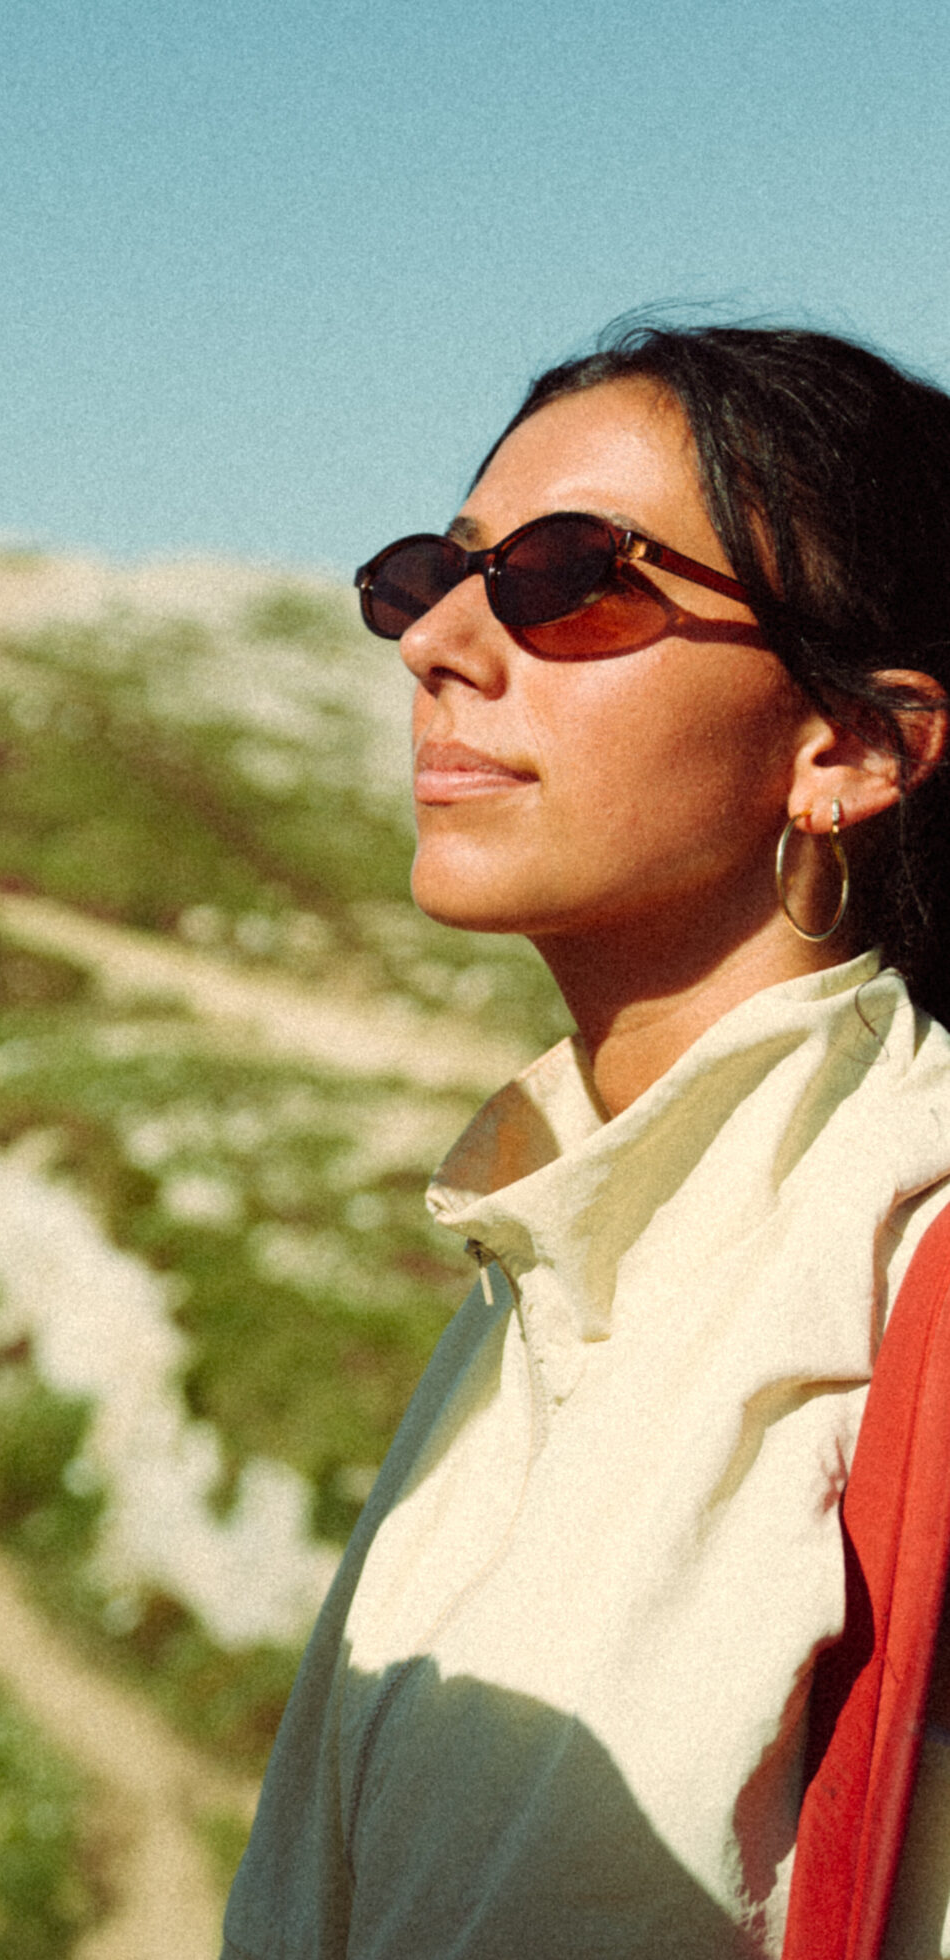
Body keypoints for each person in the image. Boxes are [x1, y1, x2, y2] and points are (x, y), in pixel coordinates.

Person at [220, 321, 950, 1960]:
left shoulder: (910, 1264)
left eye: (569, 580)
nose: (439, 646)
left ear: (852, 747)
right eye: (437, 575)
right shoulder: (541, 1261)